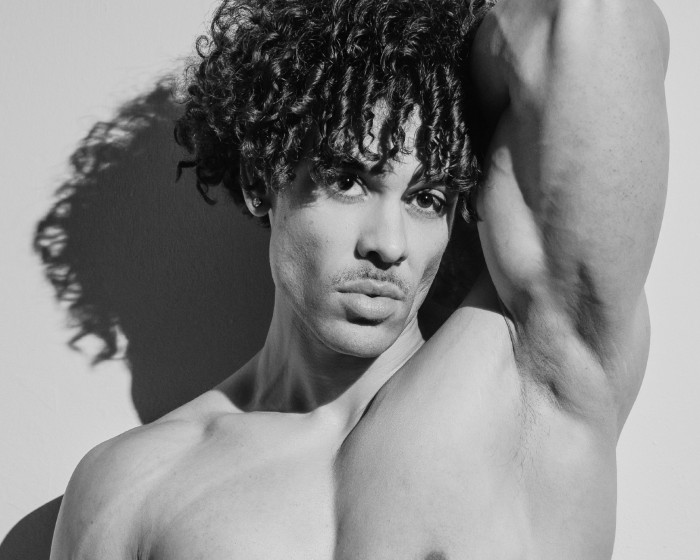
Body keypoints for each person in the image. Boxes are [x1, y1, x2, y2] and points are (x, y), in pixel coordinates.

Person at [50, 0, 669, 558]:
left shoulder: (535, 384)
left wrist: (450, 83)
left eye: (426, 197)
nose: (389, 245)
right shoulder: (134, 488)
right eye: (348, 181)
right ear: (261, 182)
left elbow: (592, 17)